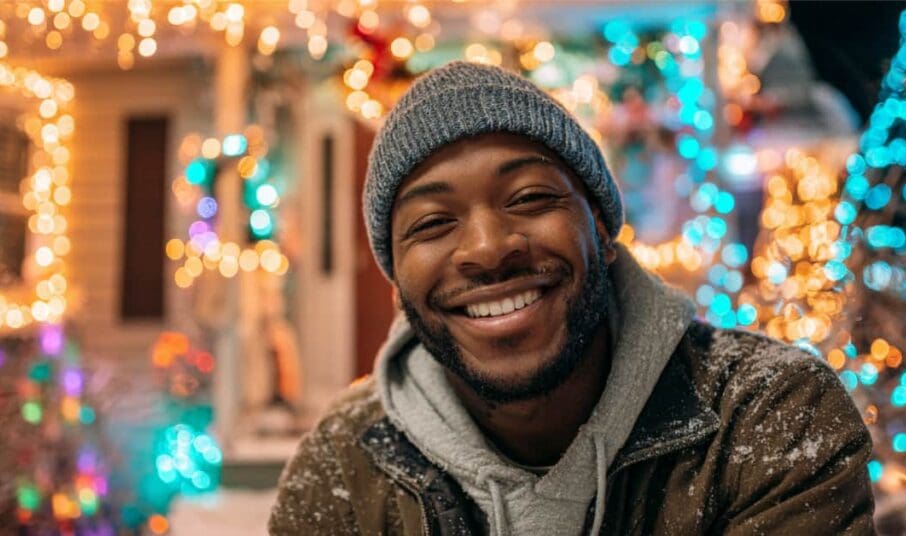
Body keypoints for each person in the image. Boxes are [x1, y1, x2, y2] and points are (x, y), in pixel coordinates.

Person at [269, 62, 874, 535]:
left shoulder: (768, 418)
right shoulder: (344, 464)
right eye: (431, 223)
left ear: (602, 232)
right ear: (398, 281)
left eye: (530, 197)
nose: (487, 248)